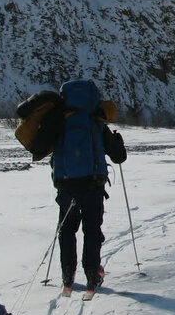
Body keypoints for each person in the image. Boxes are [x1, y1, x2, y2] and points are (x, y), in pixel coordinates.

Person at [51, 78, 127, 294]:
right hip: (92, 185)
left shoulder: (59, 120)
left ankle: (67, 274)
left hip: (65, 185)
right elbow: (119, 157)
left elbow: (47, 148)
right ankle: (93, 274)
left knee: (67, 229)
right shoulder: (96, 122)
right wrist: (116, 142)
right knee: (91, 230)